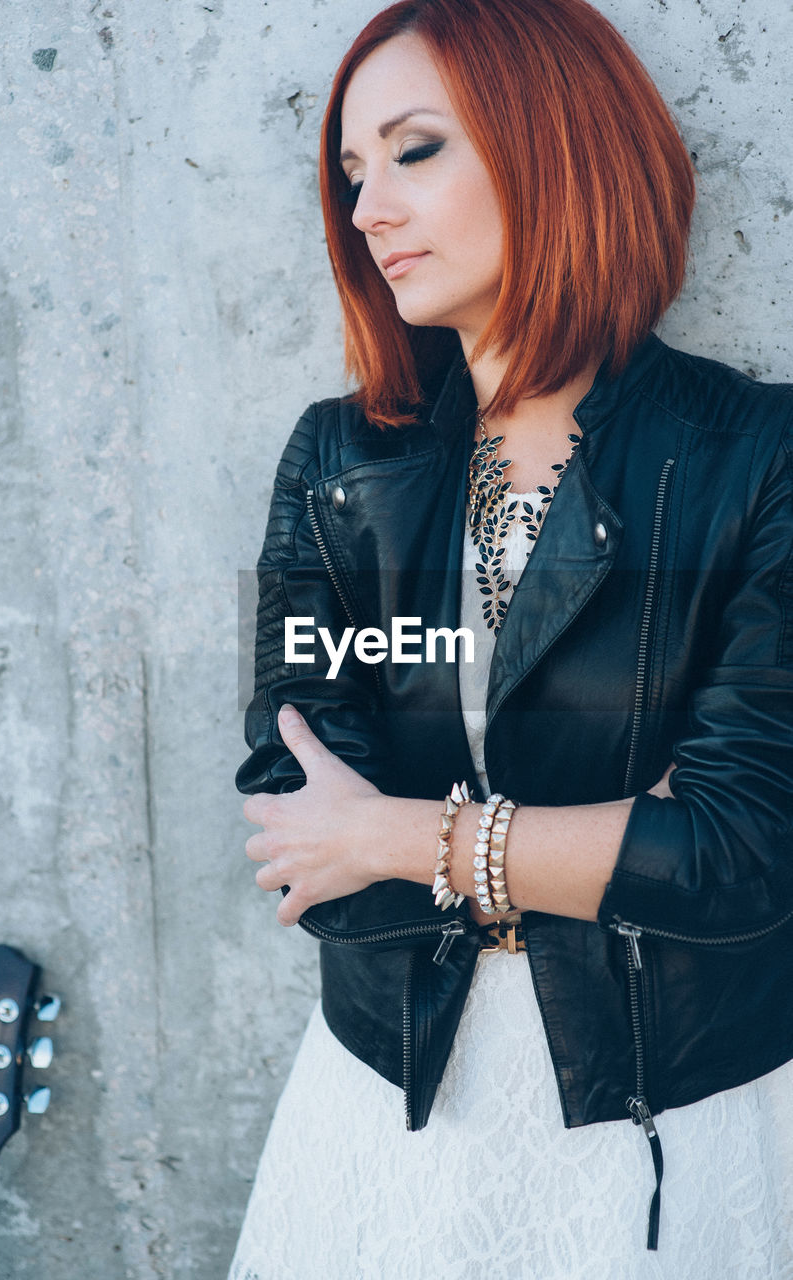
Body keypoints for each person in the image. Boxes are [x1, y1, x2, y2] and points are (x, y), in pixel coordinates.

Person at [232, 0, 793, 1275]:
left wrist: (400, 832)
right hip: (387, 1094)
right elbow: (293, 803)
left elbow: (739, 850)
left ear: (556, 145)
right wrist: (603, 838)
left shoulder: (754, 455)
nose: (366, 208)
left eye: (414, 149)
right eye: (352, 170)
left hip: (664, 1110)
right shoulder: (338, 460)